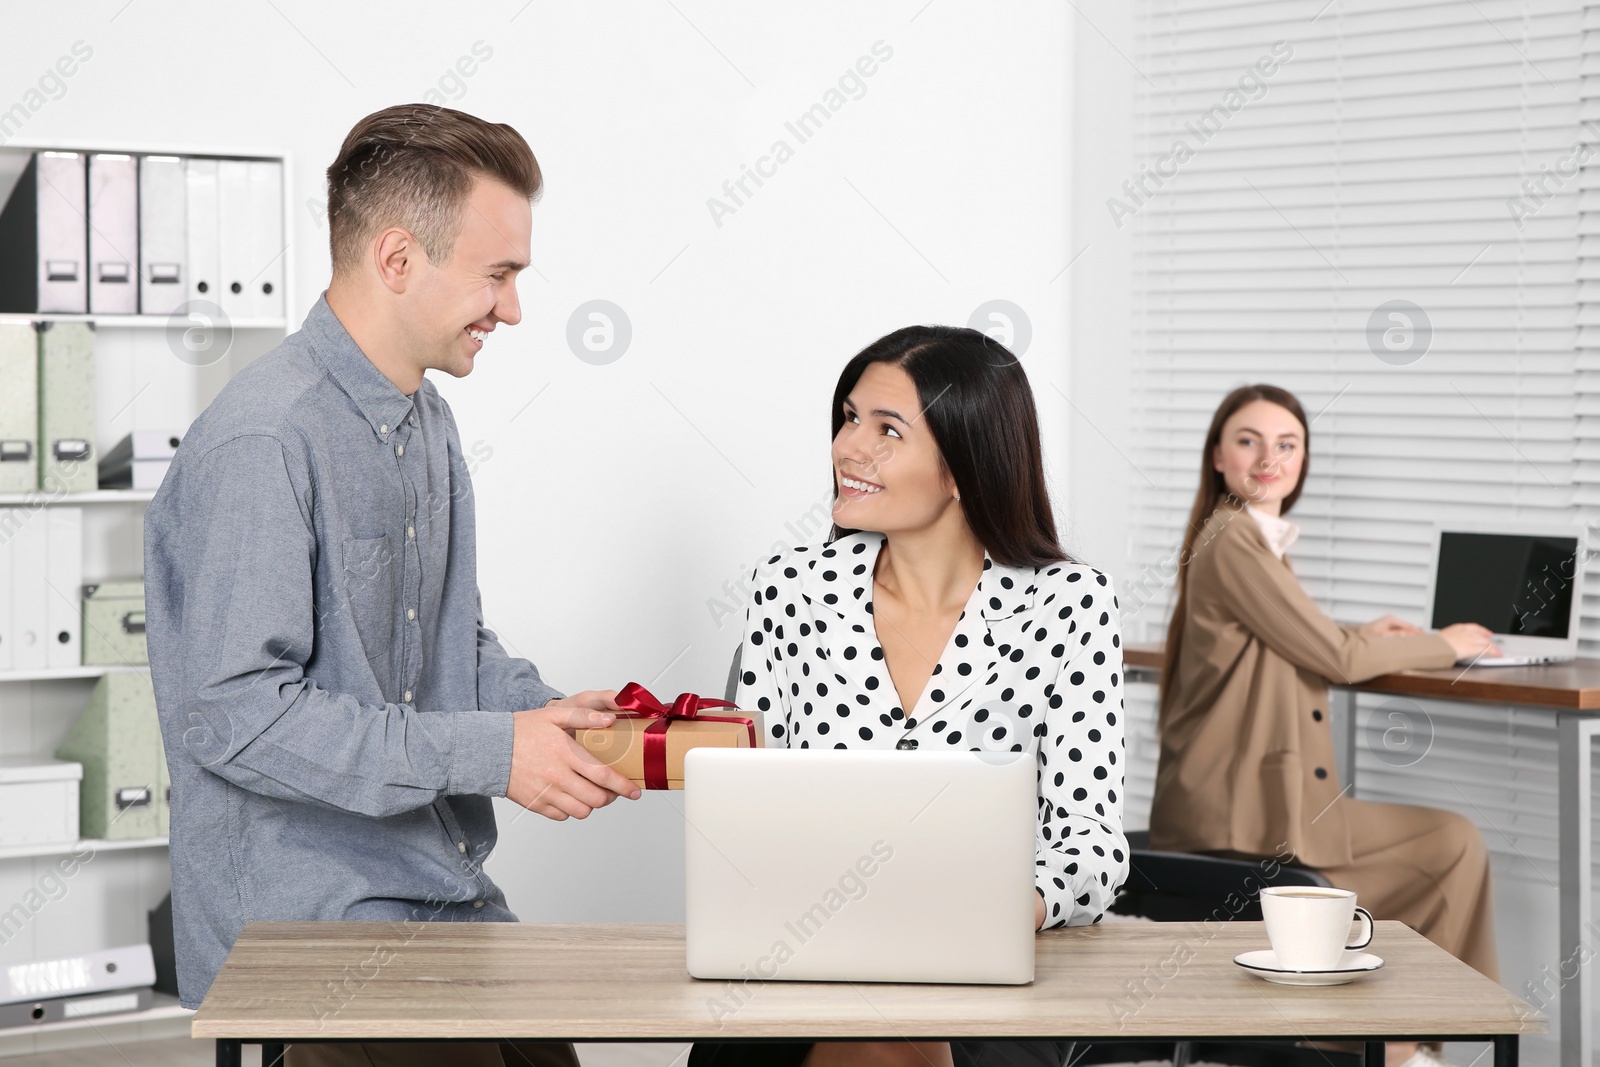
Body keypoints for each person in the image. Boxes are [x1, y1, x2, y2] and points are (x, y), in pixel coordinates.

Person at [144, 105, 642, 1067]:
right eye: (498, 276)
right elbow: (235, 716)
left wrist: (559, 721)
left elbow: (456, 650)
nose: (513, 310)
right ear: (399, 257)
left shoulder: (428, 423)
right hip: (310, 936)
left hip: (440, 896)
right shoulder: (266, 440)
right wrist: (495, 752)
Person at [691, 326, 1128, 1067]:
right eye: (850, 417)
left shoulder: (1068, 604)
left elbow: (1091, 840)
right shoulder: (791, 589)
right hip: (807, 962)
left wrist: (1002, 911)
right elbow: (747, 814)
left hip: (986, 980)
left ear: (963, 466)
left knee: (899, 1032)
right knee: (872, 1029)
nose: (847, 447)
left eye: (886, 429)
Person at [1148, 384, 1500, 1067]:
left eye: (1288, 444)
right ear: (1218, 454)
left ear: (1303, 459)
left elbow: (1296, 632)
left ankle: (1384, 1041)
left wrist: (1361, 629)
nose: (1268, 458)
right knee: (1451, 844)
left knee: (1445, 847)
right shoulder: (1235, 540)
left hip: (1250, 804)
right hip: (1241, 818)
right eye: (1248, 440)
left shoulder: (1241, 539)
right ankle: (1393, 1045)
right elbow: (1332, 657)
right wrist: (1446, 642)